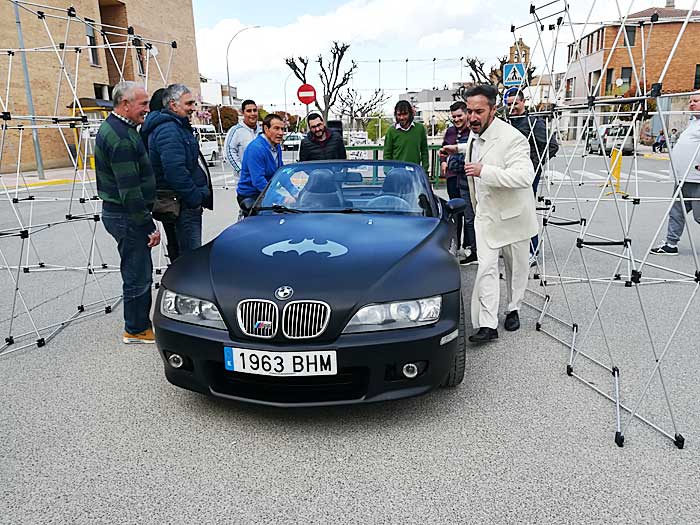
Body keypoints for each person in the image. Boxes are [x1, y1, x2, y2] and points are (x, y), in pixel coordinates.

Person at [440, 85, 536, 343]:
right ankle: (487, 324)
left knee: (516, 268)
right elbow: (479, 146)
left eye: (479, 111)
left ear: (493, 110)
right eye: (469, 111)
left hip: (513, 216)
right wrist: (457, 149)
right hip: (486, 214)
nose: (472, 117)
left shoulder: (514, 138)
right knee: (486, 268)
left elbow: (525, 176)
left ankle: (513, 307)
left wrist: (484, 171)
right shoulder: (475, 133)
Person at [95, 81, 160, 344]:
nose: (147, 109)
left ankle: (137, 324)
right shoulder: (121, 137)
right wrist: (148, 226)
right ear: (125, 104)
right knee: (138, 274)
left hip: (122, 214)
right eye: (143, 104)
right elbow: (130, 191)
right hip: (126, 216)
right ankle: (136, 329)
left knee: (136, 270)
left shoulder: (120, 128)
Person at [141, 83, 212, 257]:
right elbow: (175, 171)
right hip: (182, 205)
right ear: (173, 105)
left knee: (182, 254)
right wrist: (195, 197)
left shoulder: (176, 126)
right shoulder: (169, 130)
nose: (193, 108)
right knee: (190, 259)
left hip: (182, 203)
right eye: (189, 103)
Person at [505, 90, 559, 266]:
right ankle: (515, 247)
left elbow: (552, 145)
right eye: (508, 104)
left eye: (515, 103)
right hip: (510, 173)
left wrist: (534, 165)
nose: (512, 107)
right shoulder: (508, 122)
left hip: (527, 174)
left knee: (526, 211)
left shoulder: (534, 122)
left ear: (523, 102)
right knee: (511, 210)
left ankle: (532, 251)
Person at [650, 91, 700, 256]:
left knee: (699, 216)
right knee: (676, 212)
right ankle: (671, 244)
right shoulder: (693, 122)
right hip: (683, 178)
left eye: (696, 101)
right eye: (690, 101)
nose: (691, 104)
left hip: (697, 180)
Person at [440, 100, 476, 265]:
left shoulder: (473, 132)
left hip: (468, 177)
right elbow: (443, 150)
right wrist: (443, 162)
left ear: (466, 114)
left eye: (459, 116)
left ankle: (470, 245)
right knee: (455, 212)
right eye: (453, 117)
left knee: (469, 212)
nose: (456, 119)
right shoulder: (450, 132)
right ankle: (456, 245)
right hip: (452, 177)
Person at [236, 113, 286, 206]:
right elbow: (258, 181)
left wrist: (295, 192)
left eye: (282, 129)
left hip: (266, 191)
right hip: (250, 195)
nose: (281, 133)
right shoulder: (256, 148)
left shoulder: (277, 146)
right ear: (266, 129)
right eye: (276, 128)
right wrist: (282, 199)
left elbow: (281, 174)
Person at [383, 100, 429, 174]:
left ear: (410, 113)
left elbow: (424, 151)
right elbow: (387, 154)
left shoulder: (420, 129)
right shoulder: (391, 131)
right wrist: (388, 172)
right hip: (397, 173)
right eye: (399, 115)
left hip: (415, 173)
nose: (402, 117)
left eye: (405, 114)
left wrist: (424, 170)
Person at [224, 99, 261, 179]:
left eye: (255, 110)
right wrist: (241, 171)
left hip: (262, 179)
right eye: (249, 111)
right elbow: (229, 152)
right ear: (243, 113)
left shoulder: (262, 132)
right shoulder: (235, 131)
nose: (252, 113)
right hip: (244, 181)